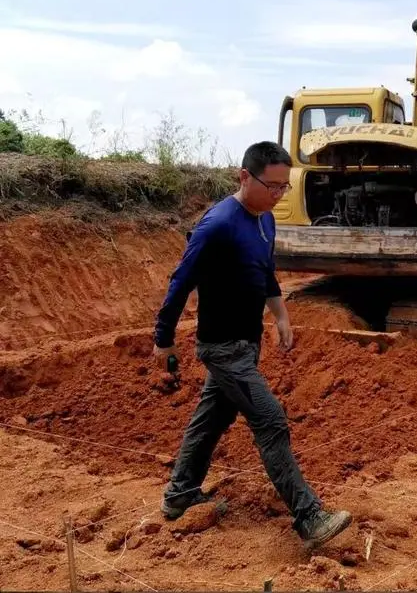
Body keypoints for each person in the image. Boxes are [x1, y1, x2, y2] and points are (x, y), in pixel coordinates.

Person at [152, 140, 352, 550]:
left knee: (211, 420)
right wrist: (163, 339)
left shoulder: (265, 221)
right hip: (221, 347)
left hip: (247, 344)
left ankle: (179, 495)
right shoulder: (218, 224)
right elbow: (180, 280)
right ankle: (309, 517)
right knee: (271, 419)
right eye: (273, 186)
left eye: (285, 188)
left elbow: (265, 273)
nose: (279, 195)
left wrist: (280, 316)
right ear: (245, 177)